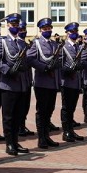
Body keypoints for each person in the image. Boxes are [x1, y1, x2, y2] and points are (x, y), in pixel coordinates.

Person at [0, 13, 31, 156]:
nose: (15, 27)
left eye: (17, 25)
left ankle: (15, 141)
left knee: (18, 116)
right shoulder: (2, 41)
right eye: (13, 25)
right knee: (8, 117)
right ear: (8, 26)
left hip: (21, 85)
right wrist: (6, 70)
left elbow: (24, 63)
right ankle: (9, 144)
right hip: (8, 85)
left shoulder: (22, 43)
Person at [26, 17, 61, 149]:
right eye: (45, 29)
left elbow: (59, 59)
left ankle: (47, 136)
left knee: (49, 110)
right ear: (40, 30)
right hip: (42, 82)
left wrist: (55, 65)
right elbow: (30, 59)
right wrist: (43, 67)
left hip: (52, 82)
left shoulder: (54, 44)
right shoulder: (36, 43)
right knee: (41, 111)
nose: (48, 30)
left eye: (49, 28)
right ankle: (41, 138)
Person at [59, 22, 85, 142]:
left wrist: (79, 66)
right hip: (67, 82)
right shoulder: (63, 47)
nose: (74, 34)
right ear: (67, 33)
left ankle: (71, 130)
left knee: (72, 108)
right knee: (67, 108)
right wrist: (66, 70)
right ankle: (66, 132)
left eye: (76, 32)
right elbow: (60, 64)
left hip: (75, 82)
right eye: (72, 32)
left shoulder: (78, 47)